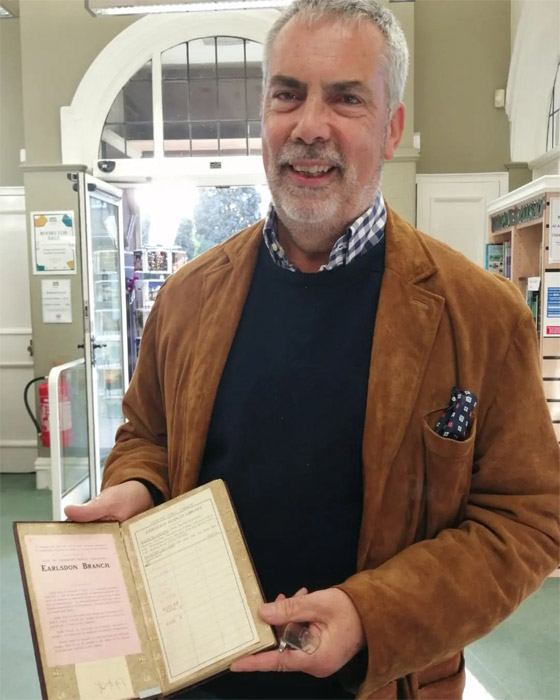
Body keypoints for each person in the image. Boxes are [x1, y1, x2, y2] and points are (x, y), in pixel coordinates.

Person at [66, 0, 560, 698]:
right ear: (263, 116)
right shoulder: (187, 298)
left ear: (391, 128)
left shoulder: (480, 315)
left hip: (381, 682)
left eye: (346, 99)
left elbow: (526, 518)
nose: (308, 127)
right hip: (198, 679)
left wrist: (370, 615)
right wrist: (136, 488)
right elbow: (148, 436)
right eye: (287, 95)